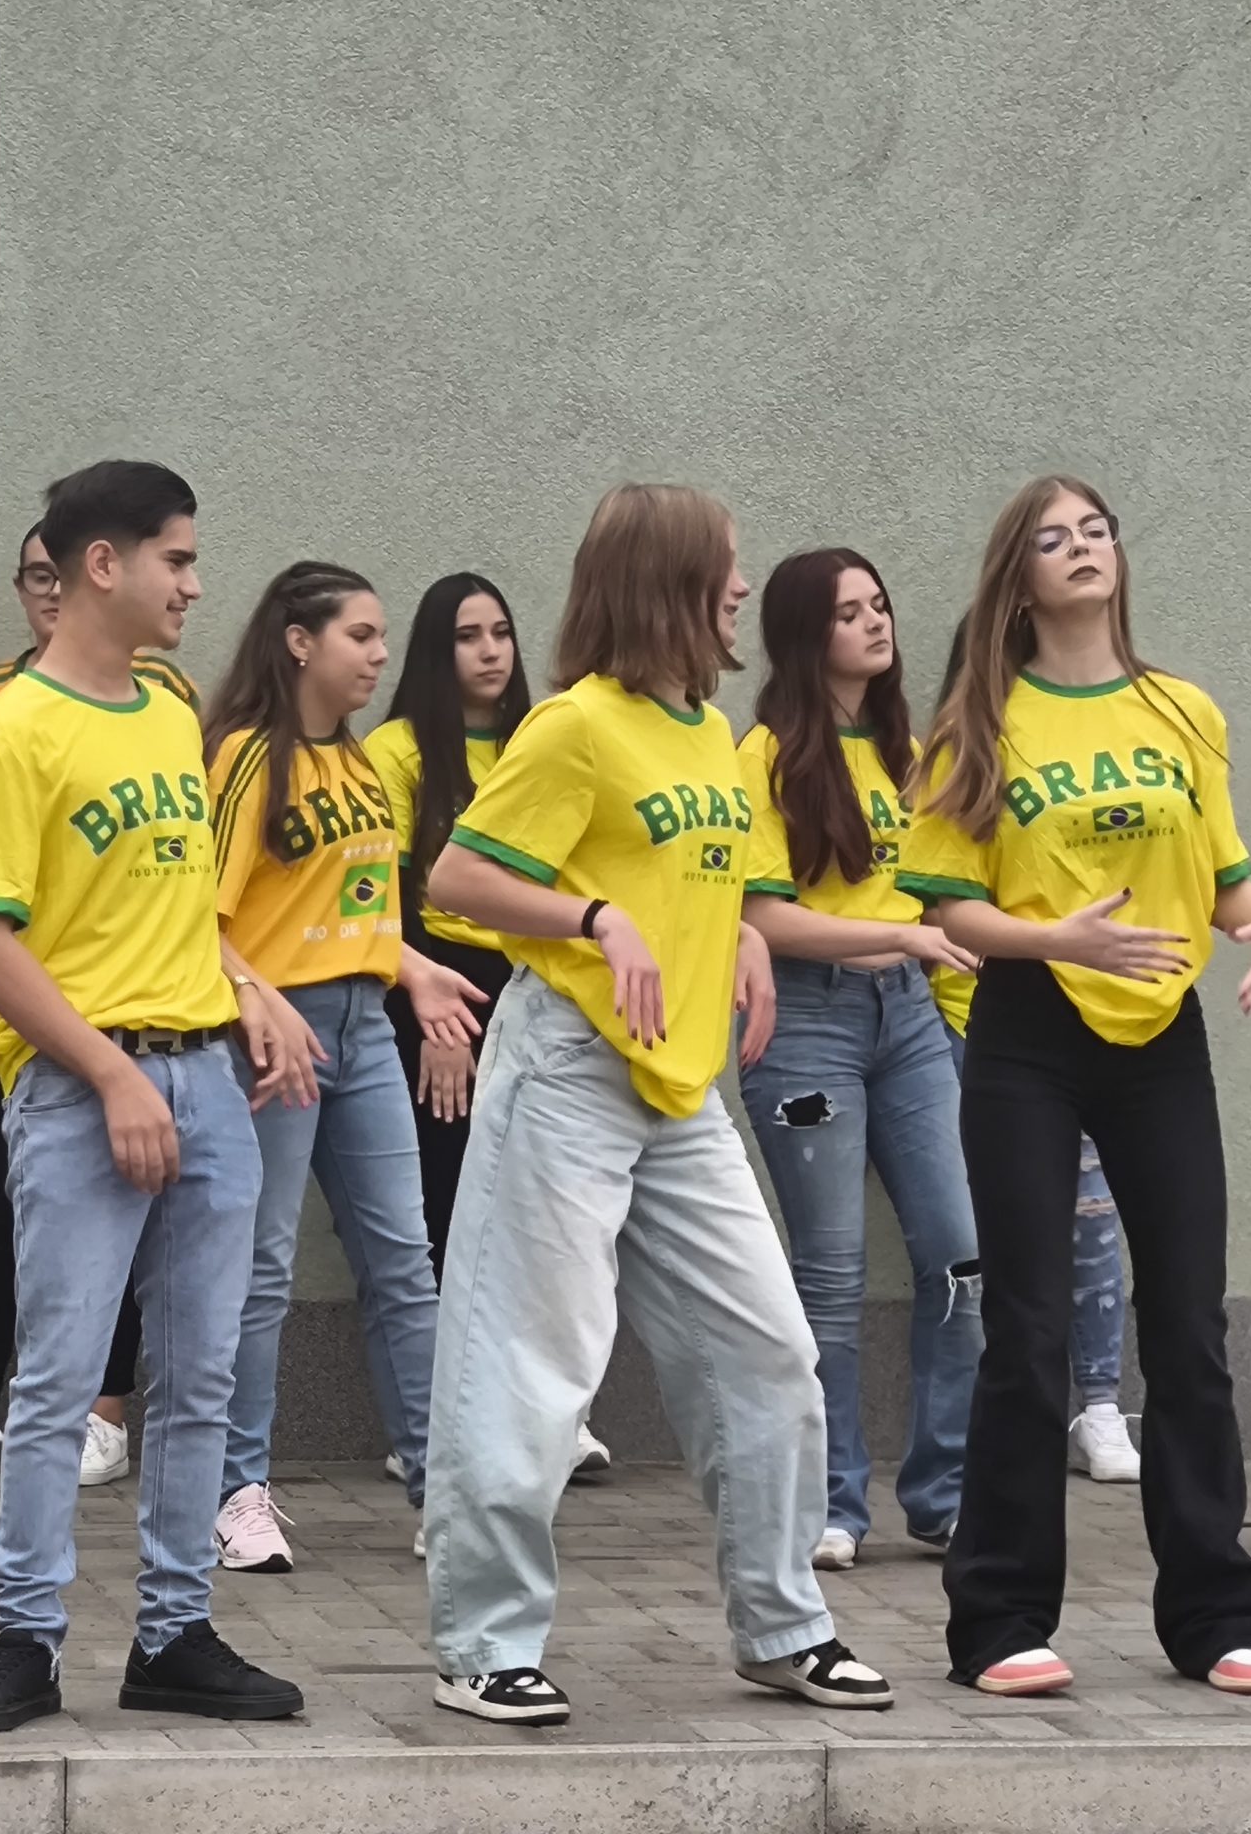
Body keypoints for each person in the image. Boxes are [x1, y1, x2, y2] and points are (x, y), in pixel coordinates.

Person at [423, 482, 891, 1727]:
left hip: (681, 1086)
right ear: (668, 583)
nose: (740, 587)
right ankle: (483, 1646)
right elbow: (456, 879)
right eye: (724, 567)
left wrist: (739, 935)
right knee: (533, 1364)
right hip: (568, 1068)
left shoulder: (706, 729)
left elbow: (697, 871)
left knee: (767, 1351)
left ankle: (783, 1627)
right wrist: (593, 917)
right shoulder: (574, 726)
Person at [910, 474, 1251, 1700]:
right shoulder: (978, 720)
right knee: (1029, 1330)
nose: (1080, 548)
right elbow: (947, 908)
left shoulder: (1183, 710)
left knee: (1187, 1323)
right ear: (1018, 576)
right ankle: (998, 1620)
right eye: (1052, 538)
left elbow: (1226, 883)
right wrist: (1053, 938)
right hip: (1028, 1029)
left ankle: (1217, 1614)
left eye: (1095, 531)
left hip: (1160, 1033)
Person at [0, 459, 306, 1730]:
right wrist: (108, 1074)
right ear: (105, 564)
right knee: (56, 1384)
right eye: (177, 560)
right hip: (81, 1093)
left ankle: (174, 1637)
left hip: (207, 1079)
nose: (195, 586)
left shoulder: (167, 707)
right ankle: (24, 1644)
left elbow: (173, 902)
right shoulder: (13, 731)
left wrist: (247, 987)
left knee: (198, 1380)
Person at [204, 562, 486, 1572]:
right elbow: (195, 920)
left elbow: (357, 912)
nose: (378, 655)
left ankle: (442, 1489)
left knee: (403, 1262)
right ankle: (236, 1491)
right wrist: (261, 999)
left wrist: (414, 971)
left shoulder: (359, 762)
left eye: (379, 637)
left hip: (364, 1027)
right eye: (359, 636)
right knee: (261, 1267)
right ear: (299, 642)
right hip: (273, 1037)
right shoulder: (246, 758)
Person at [0, 518, 194, 1492]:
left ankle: (104, 1412)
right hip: (21, 987)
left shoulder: (168, 697)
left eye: (56, 574)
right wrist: (8, 784)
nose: (48, 591)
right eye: (32, 576)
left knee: (141, 1199)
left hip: (146, 994)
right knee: (9, 1188)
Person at [732, 547, 980, 1571]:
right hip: (805, 1025)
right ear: (805, 635)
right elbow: (762, 918)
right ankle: (832, 1502)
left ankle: (946, 1493)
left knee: (962, 1257)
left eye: (879, 604)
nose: (876, 622)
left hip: (910, 1021)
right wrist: (899, 935)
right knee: (829, 1274)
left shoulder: (906, 752)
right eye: (848, 612)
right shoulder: (763, 756)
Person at [364, 574, 610, 1481]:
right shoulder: (397, 749)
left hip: (534, 977)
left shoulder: (537, 738)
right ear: (438, 650)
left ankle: (549, 1416)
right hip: (433, 984)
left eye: (501, 632)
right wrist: (434, 1021)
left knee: (540, 1206)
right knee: (446, 1207)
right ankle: (435, 1428)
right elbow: (384, 898)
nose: (491, 651)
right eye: (468, 636)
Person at [934, 620, 1142, 1492]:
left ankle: (1100, 1404)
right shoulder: (959, 754)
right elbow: (938, 902)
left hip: (1087, 1016)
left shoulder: (1109, 748)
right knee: (983, 1245)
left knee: (1092, 1220)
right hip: (963, 1021)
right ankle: (984, 1448)